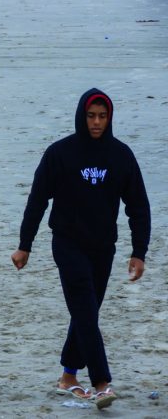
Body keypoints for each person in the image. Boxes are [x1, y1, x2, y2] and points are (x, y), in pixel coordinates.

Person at [11, 88, 151, 410]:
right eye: (91, 116)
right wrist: (24, 245)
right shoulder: (60, 153)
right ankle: (101, 383)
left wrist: (139, 251)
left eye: (102, 116)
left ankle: (68, 376)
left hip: (104, 248)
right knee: (86, 310)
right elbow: (37, 201)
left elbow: (138, 207)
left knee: (86, 311)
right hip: (68, 243)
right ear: (81, 116)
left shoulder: (121, 155)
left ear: (110, 118)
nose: (97, 122)